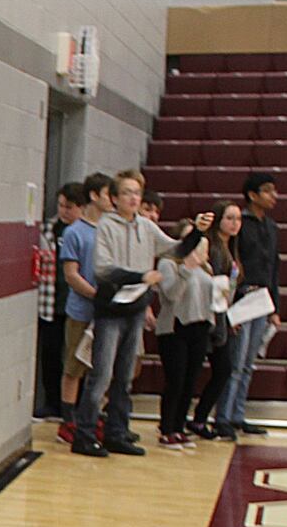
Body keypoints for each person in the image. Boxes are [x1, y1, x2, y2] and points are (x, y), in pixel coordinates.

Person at [73, 170, 209, 458]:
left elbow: (176, 248)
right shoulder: (106, 227)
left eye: (137, 193)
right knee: (102, 374)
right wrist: (140, 276)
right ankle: (83, 434)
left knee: (124, 376)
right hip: (111, 309)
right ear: (115, 198)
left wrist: (197, 230)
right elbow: (103, 269)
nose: (134, 198)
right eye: (127, 193)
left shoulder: (146, 227)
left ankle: (117, 432)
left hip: (135, 309)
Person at [216, 172, 280, 438]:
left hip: (262, 297)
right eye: (267, 191)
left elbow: (273, 267)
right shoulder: (242, 224)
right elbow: (235, 261)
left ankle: (238, 414)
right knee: (235, 361)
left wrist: (274, 306)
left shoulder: (272, 227)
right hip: (243, 295)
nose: (273, 196)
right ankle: (223, 416)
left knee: (248, 362)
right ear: (252, 195)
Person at [57, 172, 112, 446]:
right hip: (82, 310)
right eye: (107, 194)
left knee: (101, 369)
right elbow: (71, 274)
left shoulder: (111, 229)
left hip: (108, 313)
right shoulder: (75, 232)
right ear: (94, 196)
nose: (112, 200)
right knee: (74, 367)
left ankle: (93, 416)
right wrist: (95, 295)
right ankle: (68, 421)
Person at [153, 223, 215, 448]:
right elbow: (171, 294)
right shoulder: (168, 264)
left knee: (190, 381)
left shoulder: (206, 268)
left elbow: (210, 297)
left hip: (199, 326)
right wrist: (187, 268)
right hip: (175, 328)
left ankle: (179, 427)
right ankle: (166, 428)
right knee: (175, 380)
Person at [189, 201, 243, 438]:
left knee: (224, 369)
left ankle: (200, 417)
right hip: (209, 314)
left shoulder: (231, 248)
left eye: (238, 219)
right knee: (215, 368)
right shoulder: (211, 246)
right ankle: (193, 419)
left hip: (223, 314)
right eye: (230, 218)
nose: (235, 223)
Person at [35, 183, 85, 419]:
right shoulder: (49, 229)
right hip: (52, 303)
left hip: (77, 305)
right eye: (61, 206)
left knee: (77, 358)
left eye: (70, 207)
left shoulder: (87, 232)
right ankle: (52, 402)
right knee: (51, 354)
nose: (64, 211)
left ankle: (77, 404)